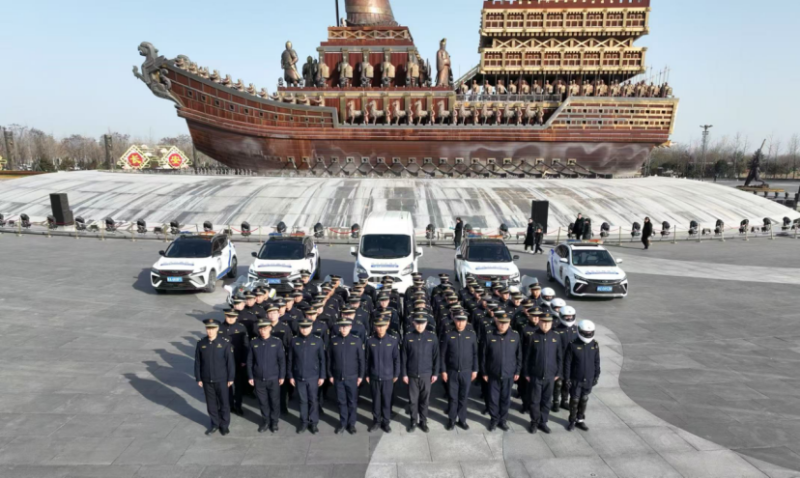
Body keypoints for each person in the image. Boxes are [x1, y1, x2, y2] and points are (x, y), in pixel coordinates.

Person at [480, 310, 521, 431]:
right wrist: (484, 372)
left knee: (505, 399)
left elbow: (519, 355)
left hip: (508, 374)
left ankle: (503, 420)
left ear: (509, 323)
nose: (503, 325)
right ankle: (494, 420)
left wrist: (518, 371)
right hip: (493, 374)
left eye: (505, 322)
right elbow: (483, 356)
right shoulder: (489, 335)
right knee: (493, 399)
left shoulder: (515, 336)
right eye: (501, 322)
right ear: (496, 322)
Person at [194, 319, 235, 436]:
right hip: (207, 379)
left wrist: (230, 378)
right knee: (211, 404)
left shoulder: (225, 343)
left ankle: (224, 425)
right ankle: (215, 424)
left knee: (224, 403)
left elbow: (230, 363)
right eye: (208, 328)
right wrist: (198, 378)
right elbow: (198, 362)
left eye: (212, 328)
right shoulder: (201, 343)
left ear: (217, 329)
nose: (210, 331)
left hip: (222, 379)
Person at [401, 313, 440, 433]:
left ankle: (423, 421)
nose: (420, 325)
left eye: (422, 323)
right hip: (412, 374)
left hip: (426, 375)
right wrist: (404, 374)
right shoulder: (408, 337)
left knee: (424, 400)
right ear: (413, 323)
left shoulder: (432, 337)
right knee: (413, 400)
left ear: (426, 323)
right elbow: (404, 357)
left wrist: (435, 373)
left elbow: (436, 357)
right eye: (417, 323)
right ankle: (413, 421)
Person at [525, 313, 562, 434]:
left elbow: (559, 356)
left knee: (546, 401)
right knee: (535, 401)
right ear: (539, 322)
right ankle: (534, 422)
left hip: (550, 376)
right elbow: (527, 357)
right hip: (536, 375)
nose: (545, 324)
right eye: (543, 322)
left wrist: (558, 372)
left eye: (548, 322)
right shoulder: (533, 336)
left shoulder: (556, 337)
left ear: (551, 323)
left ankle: (543, 422)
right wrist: (526, 373)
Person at [440, 313, 478, 431]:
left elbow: (475, 354)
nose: (460, 323)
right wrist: (443, 371)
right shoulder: (448, 335)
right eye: (458, 320)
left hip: (466, 372)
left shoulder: (471, 335)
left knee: (463, 397)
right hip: (452, 372)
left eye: (463, 321)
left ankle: (462, 420)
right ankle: (451, 420)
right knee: (453, 397)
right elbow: (443, 355)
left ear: (466, 321)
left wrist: (475, 370)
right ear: (454, 320)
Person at [288, 318, 326, 434]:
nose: (304, 329)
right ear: (299, 328)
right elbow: (290, 360)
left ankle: (313, 423)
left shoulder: (318, 341)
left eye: (307, 327)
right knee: (302, 401)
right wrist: (290, 376)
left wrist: (322, 376)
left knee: (313, 400)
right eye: (302, 327)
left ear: (311, 327)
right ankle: (304, 422)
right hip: (299, 376)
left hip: (313, 376)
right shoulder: (294, 341)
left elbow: (322, 360)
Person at [247, 321, 286, 433]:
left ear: (270, 328)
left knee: (274, 401)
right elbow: (249, 361)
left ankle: (274, 422)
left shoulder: (277, 342)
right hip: (258, 379)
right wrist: (250, 376)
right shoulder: (254, 342)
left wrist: (282, 376)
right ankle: (266, 421)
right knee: (262, 402)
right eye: (261, 329)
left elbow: (282, 361)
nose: (262, 331)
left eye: (265, 329)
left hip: (273, 378)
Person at [328, 318, 364, 435]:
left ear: (350, 327)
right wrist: (330, 375)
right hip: (338, 377)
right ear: (339, 327)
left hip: (352, 377)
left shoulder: (356, 340)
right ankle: (343, 423)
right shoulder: (333, 340)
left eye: (346, 326)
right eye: (342, 327)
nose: (344, 329)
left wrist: (361, 376)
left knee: (352, 402)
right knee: (341, 401)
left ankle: (351, 424)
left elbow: (361, 360)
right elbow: (329, 359)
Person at [564, 320, 600, 431]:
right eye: (586, 332)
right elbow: (567, 363)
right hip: (576, 378)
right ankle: (572, 420)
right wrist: (567, 378)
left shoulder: (594, 344)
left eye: (590, 332)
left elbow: (597, 361)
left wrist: (596, 376)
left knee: (584, 399)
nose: (588, 334)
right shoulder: (573, 344)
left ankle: (580, 420)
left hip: (588, 378)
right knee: (574, 400)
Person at [365, 318, 401, 433]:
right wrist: (367, 374)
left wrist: (396, 374)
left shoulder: (393, 341)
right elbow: (367, 360)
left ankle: (386, 422)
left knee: (386, 401)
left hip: (388, 377)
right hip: (374, 376)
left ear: (387, 326)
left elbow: (396, 359)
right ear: (375, 327)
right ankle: (376, 421)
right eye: (378, 326)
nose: (380, 328)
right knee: (376, 401)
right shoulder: (370, 341)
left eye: (382, 326)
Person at [219, 310, 250, 417]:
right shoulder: (219, 328)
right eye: (229, 316)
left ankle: (238, 406)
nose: (231, 318)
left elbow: (246, 345)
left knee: (238, 385)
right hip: (223, 362)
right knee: (226, 385)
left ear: (236, 317)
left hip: (237, 361)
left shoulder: (241, 328)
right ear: (225, 315)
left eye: (233, 316)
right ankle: (230, 405)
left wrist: (244, 360)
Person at [552, 306, 578, 413]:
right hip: (559, 360)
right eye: (566, 316)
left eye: (571, 316)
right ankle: (555, 402)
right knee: (558, 382)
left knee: (568, 382)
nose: (569, 318)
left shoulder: (576, 329)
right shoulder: (556, 329)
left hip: (572, 361)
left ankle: (564, 400)